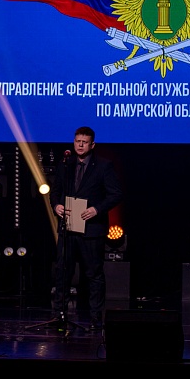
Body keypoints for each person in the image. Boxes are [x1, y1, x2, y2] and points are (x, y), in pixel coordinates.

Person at [50, 126, 123, 330]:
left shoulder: (103, 166)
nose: (80, 145)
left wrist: (96, 209)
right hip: (68, 228)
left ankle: (95, 318)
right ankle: (59, 314)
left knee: (93, 274)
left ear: (92, 145)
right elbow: (54, 192)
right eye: (77, 141)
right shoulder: (65, 164)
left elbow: (116, 194)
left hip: (91, 229)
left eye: (84, 142)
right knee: (62, 272)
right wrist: (56, 206)